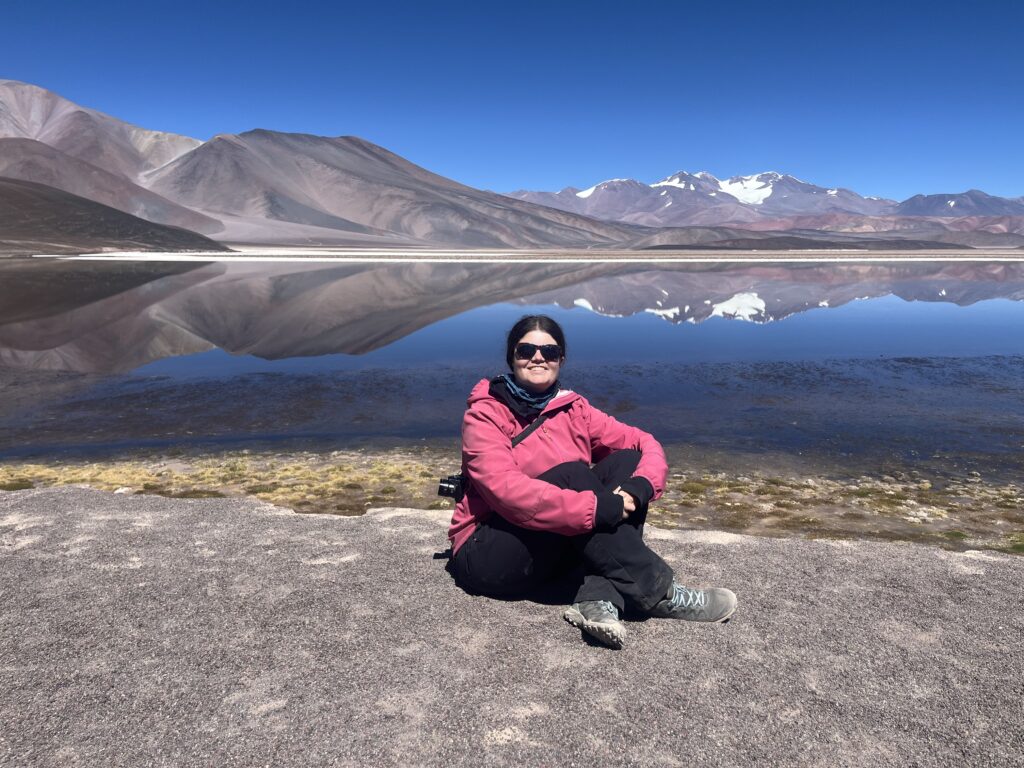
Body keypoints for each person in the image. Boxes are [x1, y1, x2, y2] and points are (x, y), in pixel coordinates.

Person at [447, 314, 737, 649]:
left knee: (627, 461)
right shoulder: (485, 414)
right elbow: (508, 492)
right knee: (573, 474)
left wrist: (639, 488)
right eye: (526, 350)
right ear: (512, 357)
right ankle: (660, 592)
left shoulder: (574, 409)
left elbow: (644, 444)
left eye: (549, 352)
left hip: (547, 544)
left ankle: (598, 596)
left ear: (561, 360)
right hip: (488, 553)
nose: (538, 357)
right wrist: (598, 507)